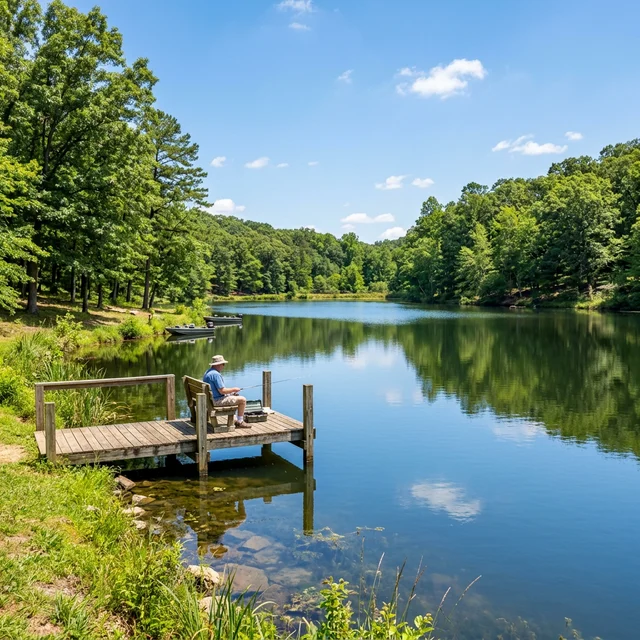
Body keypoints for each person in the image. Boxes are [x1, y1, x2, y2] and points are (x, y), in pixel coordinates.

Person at [203, 355, 250, 428]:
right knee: (242, 400)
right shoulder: (216, 375)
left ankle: (234, 419)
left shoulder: (208, 372)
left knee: (234, 396)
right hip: (216, 401)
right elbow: (222, 391)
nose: (224, 366)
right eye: (223, 364)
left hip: (209, 400)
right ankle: (240, 421)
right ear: (218, 365)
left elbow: (217, 390)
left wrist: (230, 393)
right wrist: (234, 389)